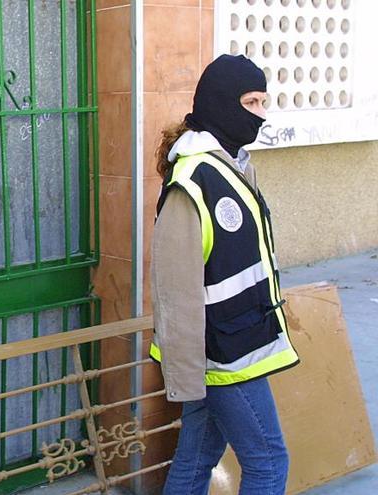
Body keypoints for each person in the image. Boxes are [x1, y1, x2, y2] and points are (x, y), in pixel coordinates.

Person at [150, 54, 300, 494]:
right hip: (221, 358)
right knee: (269, 464)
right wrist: (185, 377)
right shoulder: (194, 180)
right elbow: (174, 293)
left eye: (263, 102)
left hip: (235, 346)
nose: (260, 113)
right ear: (220, 104)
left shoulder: (233, 166)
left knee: (196, 460)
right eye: (250, 102)